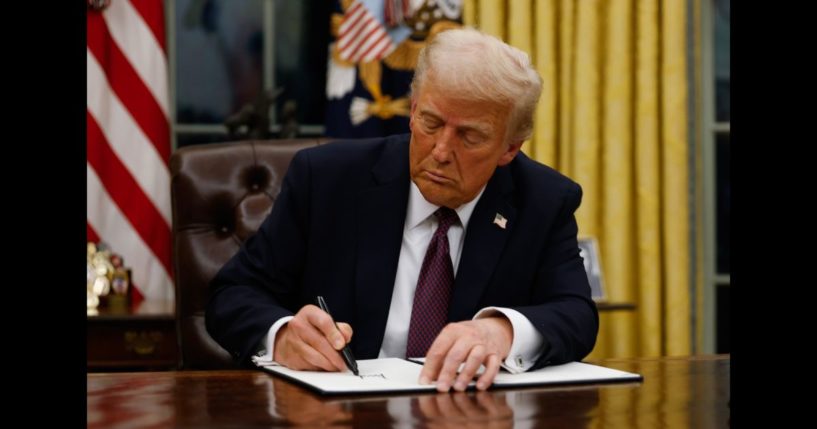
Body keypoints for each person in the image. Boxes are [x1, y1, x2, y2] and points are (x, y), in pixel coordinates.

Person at [206, 27, 598, 392]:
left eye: (470, 136)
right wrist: (283, 334)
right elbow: (233, 294)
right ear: (412, 111)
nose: (441, 152)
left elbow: (577, 314)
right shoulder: (327, 180)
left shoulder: (543, 200)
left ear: (510, 148)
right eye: (430, 122)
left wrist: (502, 332)